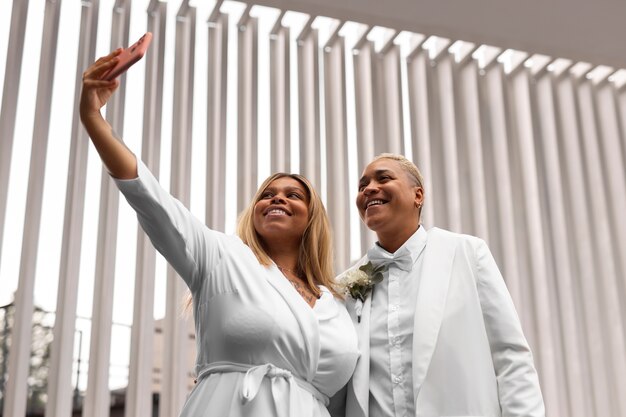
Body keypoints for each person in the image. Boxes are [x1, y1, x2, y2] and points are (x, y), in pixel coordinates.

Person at [80, 49, 359, 417]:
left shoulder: (337, 302)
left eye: (293, 195)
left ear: (313, 219)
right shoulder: (220, 256)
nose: (277, 199)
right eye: (267, 195)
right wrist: (93, 118)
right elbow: (151, 199)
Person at [330, 153, 545, 417]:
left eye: (383, 178)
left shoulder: (467, 253)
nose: (369, 188)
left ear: (417, 195)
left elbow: (510, 356)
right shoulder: (344, 286)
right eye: (362, 186)